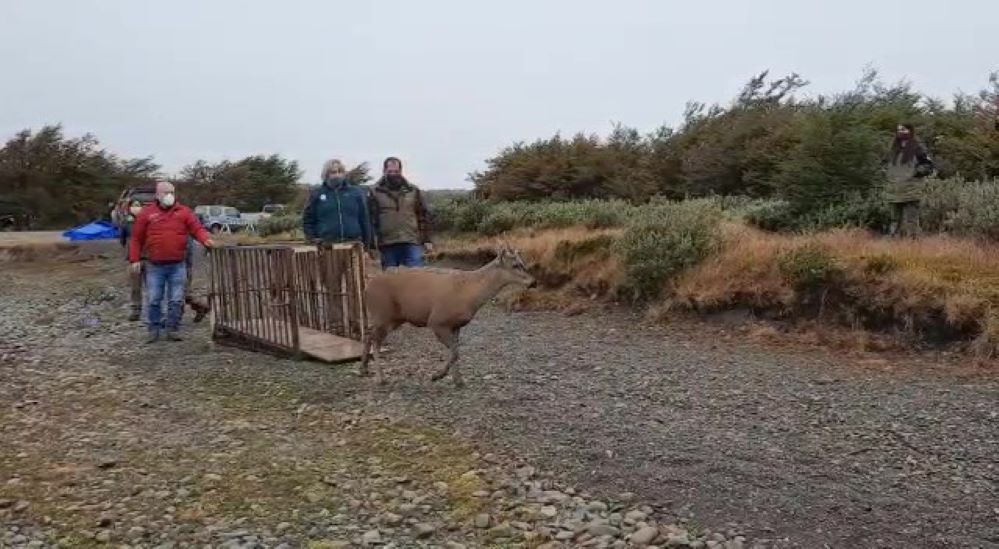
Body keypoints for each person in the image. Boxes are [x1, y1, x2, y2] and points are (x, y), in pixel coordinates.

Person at [129, 181, 215, 342]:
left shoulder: (184, 212)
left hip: (177, 264)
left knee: (176, 300)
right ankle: (153, 329)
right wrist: (135, 259)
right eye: (165, 192)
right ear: (157, 195)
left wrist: (206, 240)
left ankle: (172, 328)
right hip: (154, 265)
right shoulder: (147, 213)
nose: (169, 195)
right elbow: (136, 238)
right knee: (154, 299)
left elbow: (197, 229)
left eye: (171, 192)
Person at [369, 156, 433, 269]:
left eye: (396, 171)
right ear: (384, 171)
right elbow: (371, 220)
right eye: (390, 171)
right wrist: (372, 244)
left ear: (401, 171)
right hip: (387, 243)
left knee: (416, 277)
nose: (393, 174)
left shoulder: (413, 190)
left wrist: (427, 240)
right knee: (391, 281)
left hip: (411, 241)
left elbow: (423, 216)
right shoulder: (374, 192)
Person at [302, 159, 374, 249]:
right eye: (333, 172)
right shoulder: (316, 194)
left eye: (340, 172)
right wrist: (312, 238)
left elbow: (364, 219)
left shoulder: (355, 193)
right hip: (327, 245)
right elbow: (308, 219)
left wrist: (367, 244)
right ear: (326, 174)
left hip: (354, 243)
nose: (337, 175)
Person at [884, 123, 934, 237]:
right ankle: (893, 243)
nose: (900, 132)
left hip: (911, 190)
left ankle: (913, 244)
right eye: (898, 130)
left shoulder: (917, 148)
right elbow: (885, 165)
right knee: (894, 220)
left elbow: (928, 165)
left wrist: (915, 172)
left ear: (910, 131)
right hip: (894, 190)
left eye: (903, 129)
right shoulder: (893, 149)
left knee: (911, 220)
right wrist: (888, 176)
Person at [119, 199, 146, 321]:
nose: (136, 208)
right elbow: (122, 240)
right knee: (135, 287)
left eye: (138, 205)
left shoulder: (147, 220)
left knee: (153, 286)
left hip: (148, 258)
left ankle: (154, 311)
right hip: (133, 259)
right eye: (134, 206)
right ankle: (136, 310)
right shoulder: (126, 222)